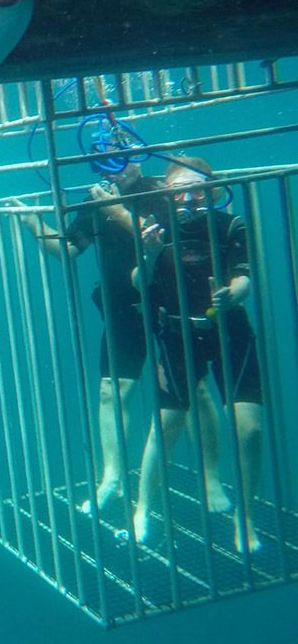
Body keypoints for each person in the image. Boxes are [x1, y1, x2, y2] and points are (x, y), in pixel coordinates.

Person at [18, 161, 228, 515]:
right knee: (111, 390)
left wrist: (113, 208)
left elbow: (170, 234)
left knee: (198, 389)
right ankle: (112, 477)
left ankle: (210, 479)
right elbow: (69, 250)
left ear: (137, 158)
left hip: (170, 302)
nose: (112, 168)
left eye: (120, 157)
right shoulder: (95, 201)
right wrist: (33, 224)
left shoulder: (163, 192)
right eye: (102, 160)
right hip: (122, 306)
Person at [132, 157, 262, 553]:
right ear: (168, 194)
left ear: (214, 190)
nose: (190, 198)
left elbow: (244, 278)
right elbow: (138, 282)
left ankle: (245, 517)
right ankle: (143, 507)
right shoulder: (156, 229)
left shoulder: (231, 226)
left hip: (230, 332)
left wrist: (231, 295)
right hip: (177, 335)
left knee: (250, 430)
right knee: (166, 425)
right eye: (180, 191)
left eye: (199, 189)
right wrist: (150, 254)